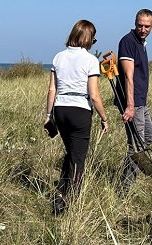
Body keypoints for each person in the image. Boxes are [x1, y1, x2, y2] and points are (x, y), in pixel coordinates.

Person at [45, 19, 109, 214]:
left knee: (71, 153)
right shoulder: (90, 60)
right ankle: (69, 203)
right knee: (79, 159)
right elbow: (95, 95)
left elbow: (51, 89)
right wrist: (104, 118)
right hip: (80, 110)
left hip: (60, 109)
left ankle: (60, 192)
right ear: (88, 38)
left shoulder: (58, 57)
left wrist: (48, 115)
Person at [115, 9, 152, 193]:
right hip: (133, 103)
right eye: (140, 25)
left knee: (149, 137)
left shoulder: (142, 43)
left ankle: (126, 174)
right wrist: (130, 106)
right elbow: (128, 76)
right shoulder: (128, 42)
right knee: (137, 146)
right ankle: (125, 188)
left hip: (141, 101)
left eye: (147, 26)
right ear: (135, 23)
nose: (143, 29)